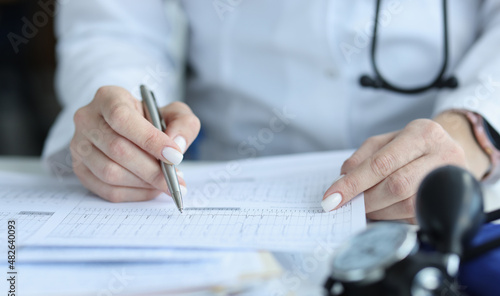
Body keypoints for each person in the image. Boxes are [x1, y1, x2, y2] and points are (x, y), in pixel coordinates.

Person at [43, 0, 500, 222]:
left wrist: (476, 128)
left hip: (451, 184)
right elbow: (115, 25)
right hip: (228, 185)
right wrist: (121, 120)